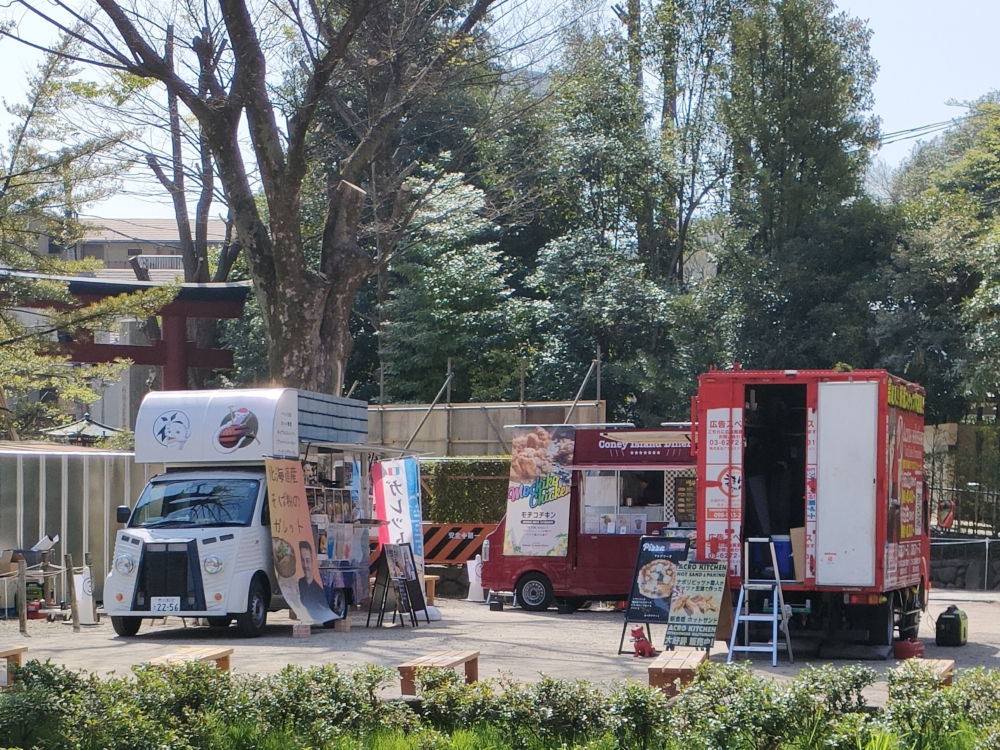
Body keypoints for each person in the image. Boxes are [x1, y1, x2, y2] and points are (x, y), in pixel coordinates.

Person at [297, 542, 329, 614]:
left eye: (308, 561)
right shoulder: (298, 584)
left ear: (312, 562)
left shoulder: (320, 592)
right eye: (302, 560)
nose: (305, 565)